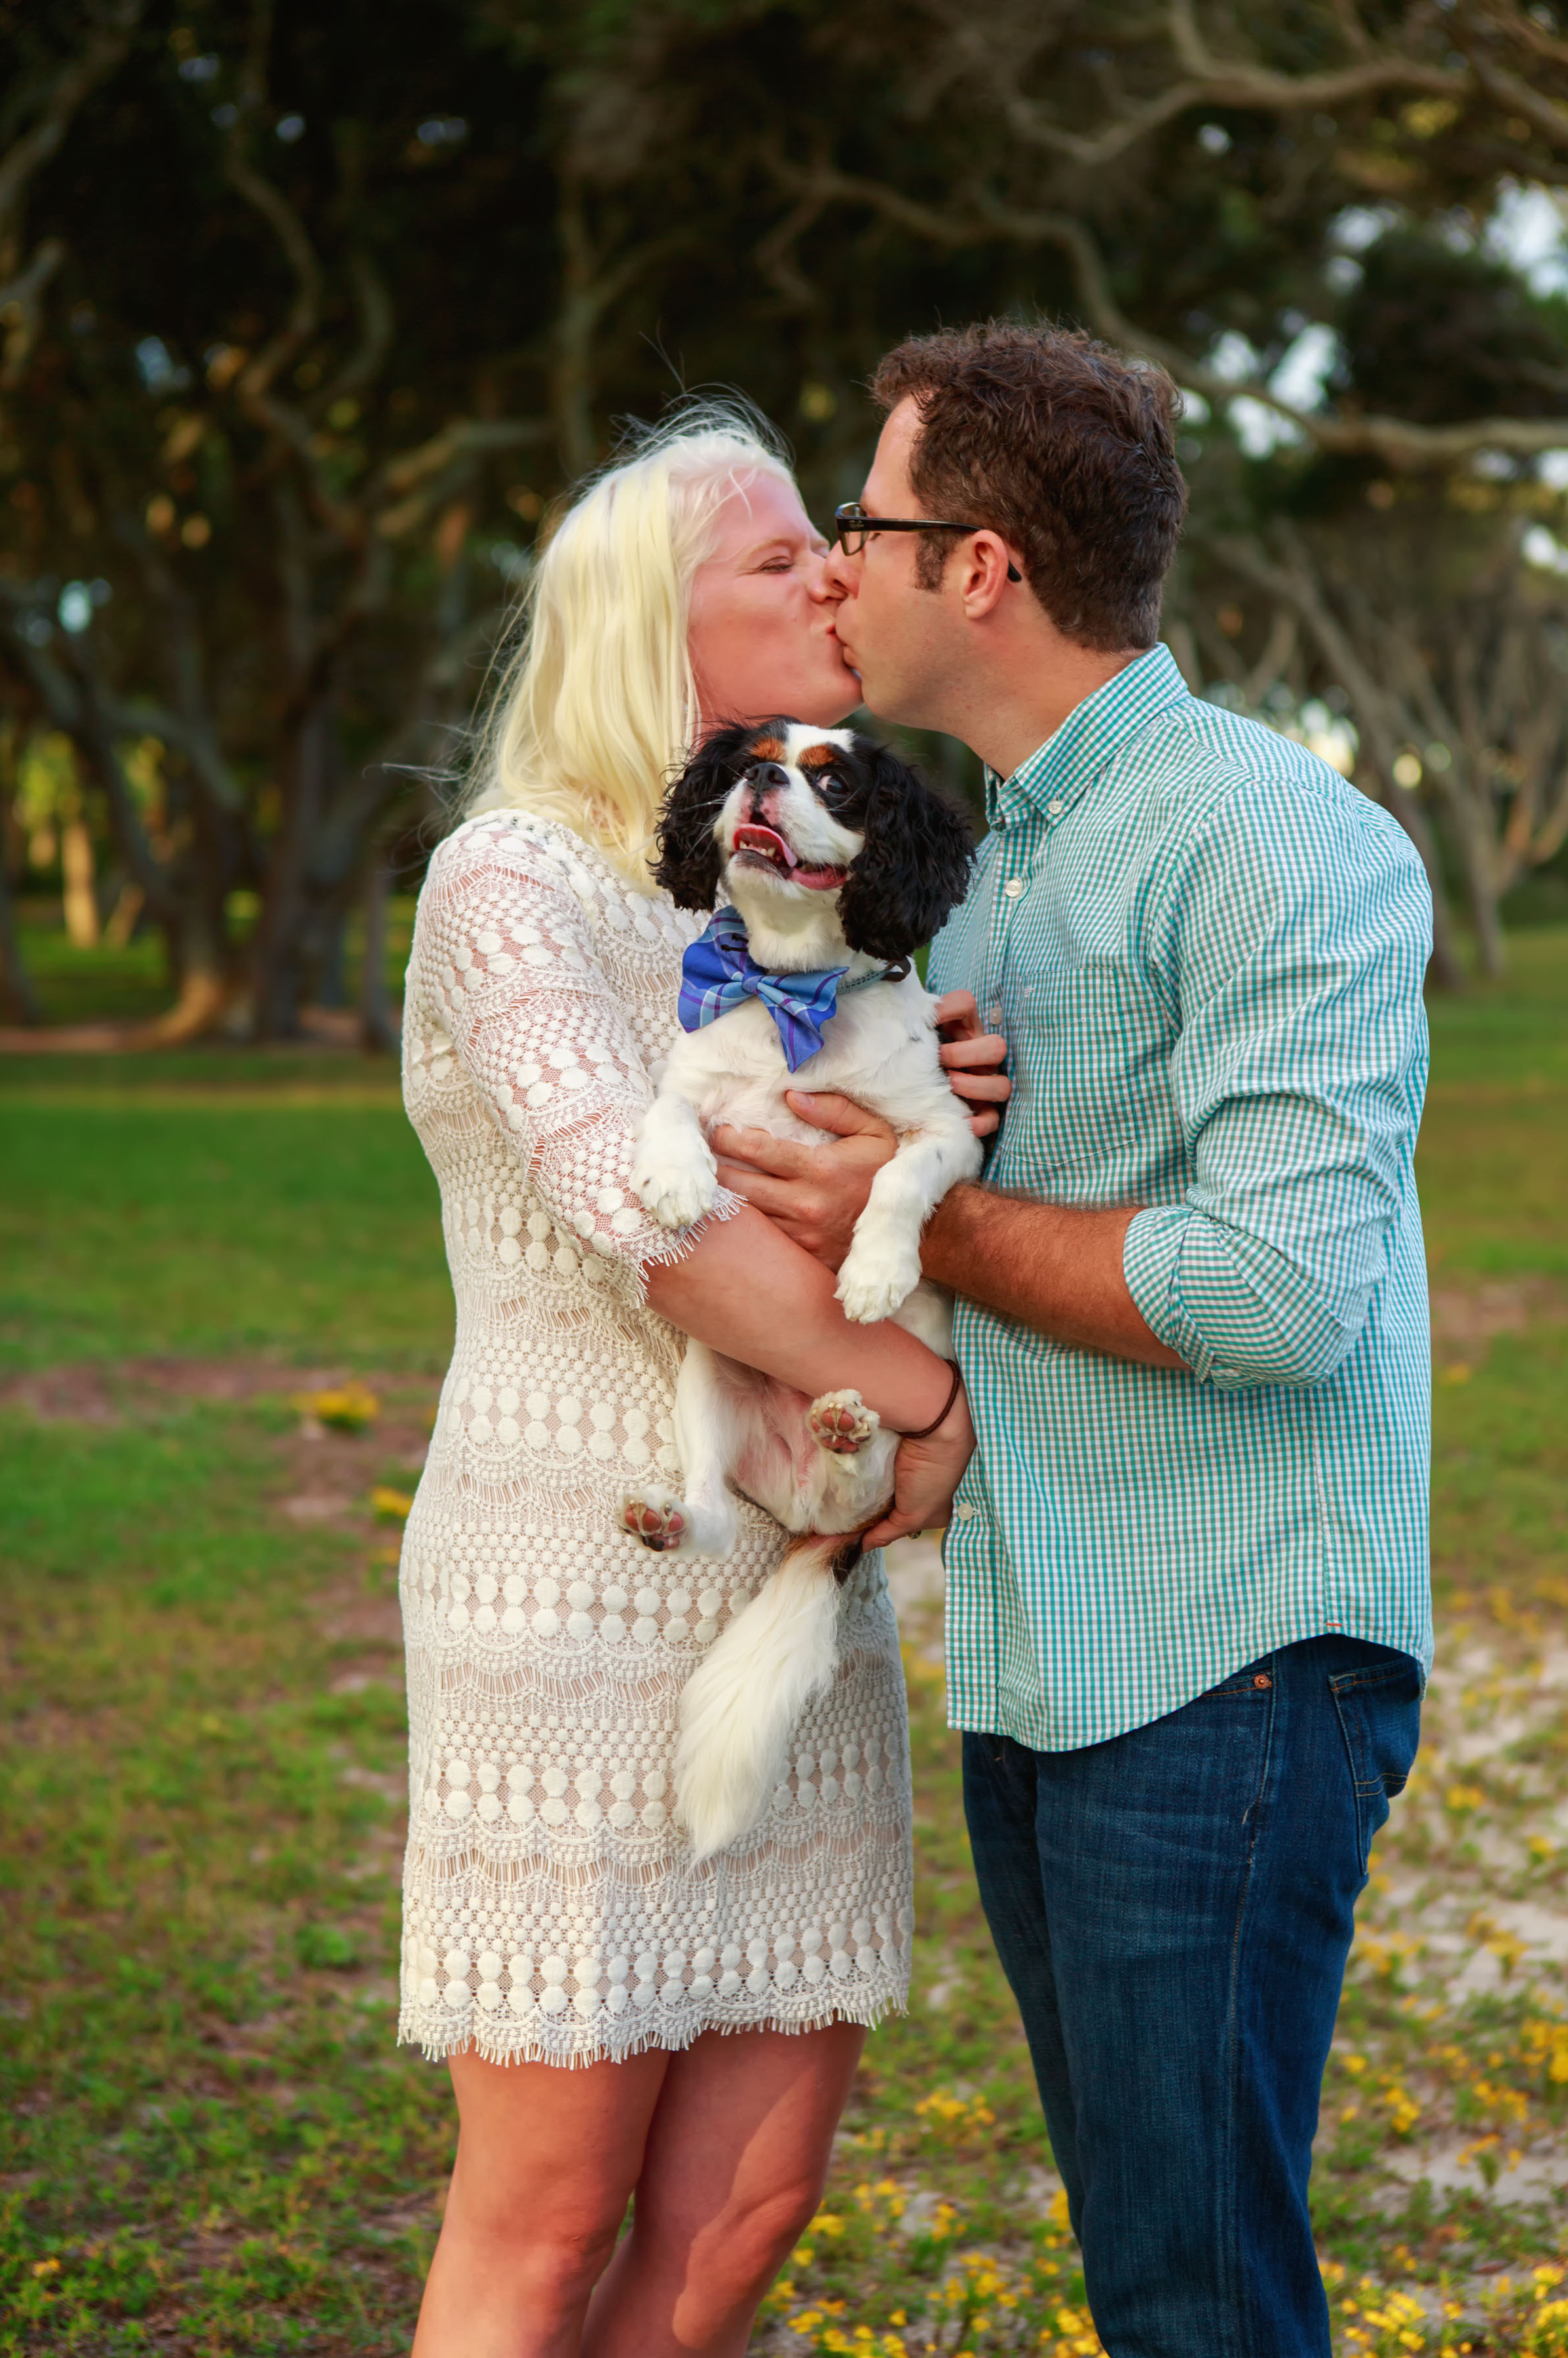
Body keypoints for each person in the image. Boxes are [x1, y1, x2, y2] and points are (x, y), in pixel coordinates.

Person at [713, 324, 1432, 2357]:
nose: (834, 562)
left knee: (1196, 2295)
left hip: (1234, 1654)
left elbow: (1280, 1296)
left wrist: (911, 1206)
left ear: (985, 570)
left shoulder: (1272, 840)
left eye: (862, 522)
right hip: (1053, 1646)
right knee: (1152, 2270)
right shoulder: (986, 863)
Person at [396, 402, 1005, 2358]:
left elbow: (889, 1160)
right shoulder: (513, 883)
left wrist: (938, 1105)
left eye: (828, 546)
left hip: (786, 1601)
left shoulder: (818, 902)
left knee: (746, 2213)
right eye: (776, 560)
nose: (833, 575)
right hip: (570, 1589)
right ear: (651, 630)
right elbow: (641, 1215)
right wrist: (916, 1395)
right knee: (551, 2214)